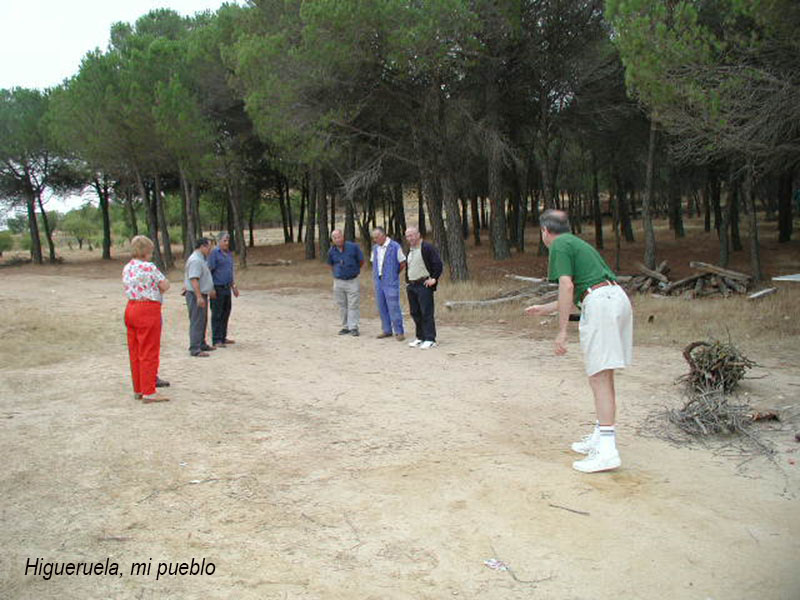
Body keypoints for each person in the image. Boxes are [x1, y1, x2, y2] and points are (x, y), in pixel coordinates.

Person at [525, 209, 632, 473]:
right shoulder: (575, 242)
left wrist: (562, 331)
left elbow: (567, 286)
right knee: (603, 374)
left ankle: (607, 450)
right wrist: (545, 308)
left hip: (601, 304)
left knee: (599, 376)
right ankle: (600, 435)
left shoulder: (558, 245)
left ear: (545, 231)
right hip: (614, 298)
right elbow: (582, 288)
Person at [122, 235, 170, 403]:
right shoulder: (149, 267)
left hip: (131, 307)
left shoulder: (128, 267)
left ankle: (139, 388)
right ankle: (149, 391)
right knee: (149, 350)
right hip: (148, 309)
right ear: (146, 251)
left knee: (135, 350)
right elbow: (165, 285)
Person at [404, 226, 443, 349]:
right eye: (407, 236)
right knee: (415, 312)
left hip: (423, 284)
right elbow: (409, 266)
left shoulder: (427, 247)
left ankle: (430, 338)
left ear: (418, 235)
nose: (410, 238)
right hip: (412, 285)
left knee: (426, 312)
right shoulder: (410, 250)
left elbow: (438, 264)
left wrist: (434, 278)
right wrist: (407, 282)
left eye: (411, 235)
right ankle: (420, 337)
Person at [371, 226, 406, 341]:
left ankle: (399, 331)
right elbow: (373, 263)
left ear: (383, 235)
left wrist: (394, 273)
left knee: (393, 306)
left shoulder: (395, 246)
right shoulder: (375, 248)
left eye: (377, 237)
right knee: (381, 306)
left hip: (390, 280)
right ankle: (386, 330)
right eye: (374, 238)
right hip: (378, 280)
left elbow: (402, 262)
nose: (375, 240)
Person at [327, 229, 364, 336]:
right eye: (335, 238)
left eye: (339, 237)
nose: (337, 240)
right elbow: (330, 264)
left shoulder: (353, 247)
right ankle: (345, 326)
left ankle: (353, 327)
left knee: (353, 304)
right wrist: (337, 273)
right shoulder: (331, 251)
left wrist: (354, 270)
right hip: (338, 281)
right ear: (332, 240)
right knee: (342, 305)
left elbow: (361, 261)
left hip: (352, 280)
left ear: (343, 237)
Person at [184, 237, 217, 357]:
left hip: (201, 293)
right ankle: (195, 348)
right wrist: (198, 296)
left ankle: (201, 343)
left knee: (202, 320)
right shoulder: (195, 260)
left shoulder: (201, 259)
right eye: (209, 247)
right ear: (202, 247)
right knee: (197, 320)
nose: (210, 250)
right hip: (195, 294)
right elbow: (194, 279)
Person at [208, 231, 239, 347]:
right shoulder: (214, 254)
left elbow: (229, 272)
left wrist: (233, 286)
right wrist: (211, 288)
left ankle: (223, 336)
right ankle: (216, 340)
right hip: (217, 287)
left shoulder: (228, 254)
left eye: (228, 240)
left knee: (226, 312)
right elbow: (209, 271)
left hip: (227, 287)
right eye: (224, 241)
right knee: (217, 313)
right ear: (218, 241)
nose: (226, 243)